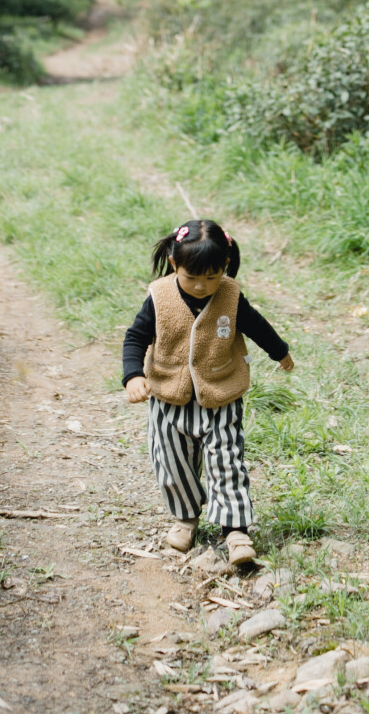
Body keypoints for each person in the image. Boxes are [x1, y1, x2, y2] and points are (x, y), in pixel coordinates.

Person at [122, 217, 293, 565]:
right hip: (169, 395)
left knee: (226, 460)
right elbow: (135, 337)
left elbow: (256, 325)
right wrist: (132, 376)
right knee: (171, 462)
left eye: (211, 277)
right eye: (192, 278)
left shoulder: (229, 295)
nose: (201, 286)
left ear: (225, 267)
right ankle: (186, 517)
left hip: (220, 394)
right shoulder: (160, 297)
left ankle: (235, 529)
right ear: (174, 263)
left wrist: (280, 351)